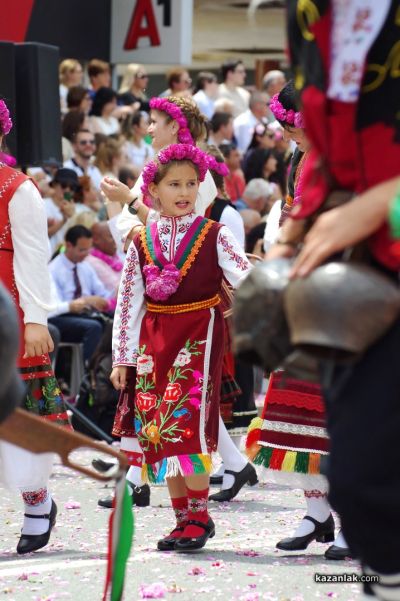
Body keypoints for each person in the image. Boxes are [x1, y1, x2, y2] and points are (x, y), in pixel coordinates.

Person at [267, 2, 400, 594]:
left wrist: (378, 206)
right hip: (363, 278)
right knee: (359, 479)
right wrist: (294, 233)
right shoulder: (308, 13)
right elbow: (330, 143)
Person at [111, 143, 251, 551]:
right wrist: (123, 357)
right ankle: (181, 519)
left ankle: (200, 516)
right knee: (158, 430)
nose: (185, 190)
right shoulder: (141, 237)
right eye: (174, 183)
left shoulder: (215, 233)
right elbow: (128, 301)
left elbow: (245, 277)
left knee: (189, 425)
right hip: (153, 341)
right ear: (152, 190)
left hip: (199, 335)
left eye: (192, 182)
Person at [0, 99, 69, 554]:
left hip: (8, 316)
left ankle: (37, 502)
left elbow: (33, 258)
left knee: (18, 424)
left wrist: (37, 321)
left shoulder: (17, 188)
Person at [101, 96, 217, 252]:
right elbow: (125, 225)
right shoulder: (153, 167)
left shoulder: (199, 171)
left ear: (174, 127)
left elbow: (181, 230)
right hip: (148, 262)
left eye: (154, 122)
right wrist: (147, 235)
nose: (149, 129)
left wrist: (129, 200)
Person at [49, 225, 113, 363]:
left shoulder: (85, 266)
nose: (86, 254)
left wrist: (113, 294)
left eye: (88, 249)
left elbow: (104, 294)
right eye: (82, 250)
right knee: (93, 327)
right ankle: (86, 373)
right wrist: (82, 302)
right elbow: (54, 306)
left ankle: (104, 369)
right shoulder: (54, 269)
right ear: (68, 245)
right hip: (61, 317)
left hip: (84, 314)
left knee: (115, 320)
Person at [44, 168, 80, 254]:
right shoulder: (43, 205)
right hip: (48, 256)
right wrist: (64, 220)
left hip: (67, 257)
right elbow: (41, 235)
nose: (67, 190)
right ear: (55, 185)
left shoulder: (78, 210)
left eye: (72, 188)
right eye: (63, 185)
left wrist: (73, 216)